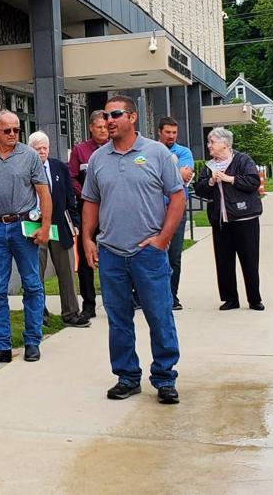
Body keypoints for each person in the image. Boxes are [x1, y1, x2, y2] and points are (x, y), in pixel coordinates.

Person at [81, 95, 185, 405]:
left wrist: (162, 239)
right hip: (112, 252)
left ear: (133, 117)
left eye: (115, 114)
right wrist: (87, 238)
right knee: (119, 319)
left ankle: (165, 378)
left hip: (148, 253)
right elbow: (91, 201)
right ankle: (127, 377)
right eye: (105, 116)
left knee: (159, 315)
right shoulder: (99, 159)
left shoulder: (157, 154)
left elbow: (177, 198)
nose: (109, 120)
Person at [0, 110, 52, 366]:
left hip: (24, 226)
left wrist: (45, 226)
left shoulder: (29, 156)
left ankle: (32, 341)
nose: (12, 135)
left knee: (31, 284)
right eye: (7, 130)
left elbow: (43, 192)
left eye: (16, 130)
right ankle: (1, 346)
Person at [192, 127, 264, 311]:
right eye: (208, 142)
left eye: (212, 142)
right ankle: (230, 299)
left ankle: (254, 299)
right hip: (220, 221)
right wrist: (210, 182)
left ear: (224, 144)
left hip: (245, 219)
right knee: (224, 261)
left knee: (249, 259)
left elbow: (253, 182)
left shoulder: (243, 160)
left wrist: (228, 178)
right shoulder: (209, 167)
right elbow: (199, 189)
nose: (209, 146)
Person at [27, 131, 88, 328]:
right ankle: (39, 314)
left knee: (68, 272)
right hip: (35, 226)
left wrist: (75, 223)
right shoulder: (25, 168)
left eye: (45, 148)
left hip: (60, 226)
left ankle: (71, 312)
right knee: (36, 273)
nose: (42, 152)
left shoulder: (59, 167)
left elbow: (71, 197)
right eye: (38, 149)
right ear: (30, 150)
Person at [68, 110, 108, 319]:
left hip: (111, 209)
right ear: (91, 127)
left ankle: (119, 300)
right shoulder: (80, 151)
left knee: (114, 254)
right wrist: (85, 193)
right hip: (87, 208)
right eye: (99, 127)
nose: (103, 130)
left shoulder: (114, 148)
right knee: (86, 257)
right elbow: (71, 177)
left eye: (105, 126)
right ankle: (89, 304)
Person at [157, 117, 194, 311]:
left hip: (176, 210)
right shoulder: (151, 151)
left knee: (174, 256)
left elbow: (185, 176)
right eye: (168, 132)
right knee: (151, 255)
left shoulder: (184, 152)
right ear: (159, 132)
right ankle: (150, 296)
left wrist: (160, 175)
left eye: (174, 133)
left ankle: (172, 296)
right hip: (153, 212)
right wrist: (174, 172)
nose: (171, 136)